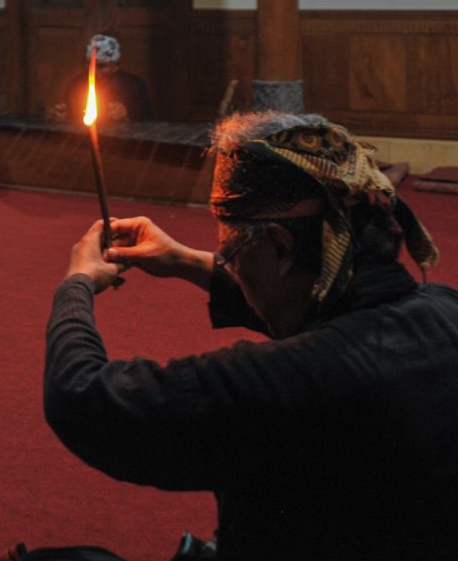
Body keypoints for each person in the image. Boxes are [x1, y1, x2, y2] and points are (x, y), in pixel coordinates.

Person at [43, 111, 456, 560]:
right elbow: (325, 312)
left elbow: (83, 399)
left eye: (232, 253)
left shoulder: (283, 384)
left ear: (280, 246)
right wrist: (188, 261)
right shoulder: (445, 309)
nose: (229, 265)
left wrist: (76, 285)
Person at [55, 34, 152, 125]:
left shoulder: (134, 85)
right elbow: (73, 116)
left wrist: (127, 113)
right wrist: (65, 116)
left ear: (116, 66)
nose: (93, 71)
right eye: (90, 64)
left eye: (101, 66)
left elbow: (147, 119)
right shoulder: (76, 84)